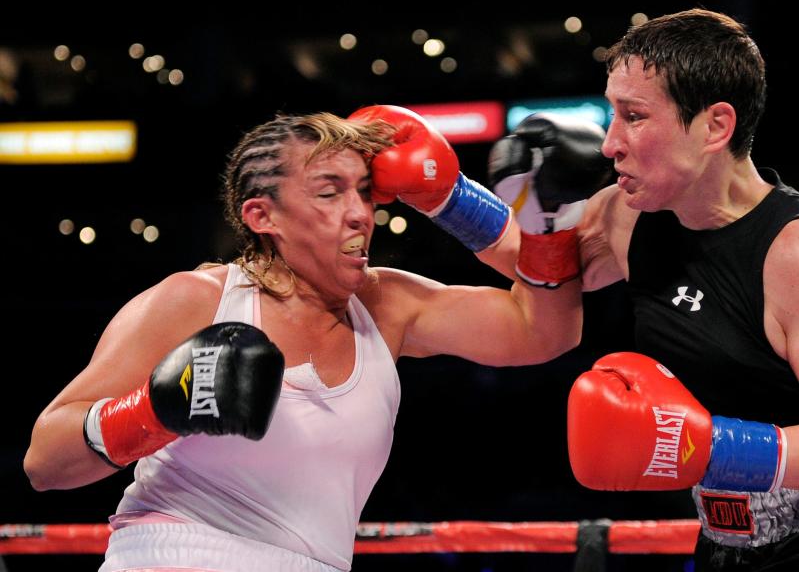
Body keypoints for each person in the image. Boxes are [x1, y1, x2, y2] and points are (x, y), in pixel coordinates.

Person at [22, 106, 599, 572]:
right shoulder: (198, 300)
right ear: (261, 216)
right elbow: (45, 460)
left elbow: (543, 331)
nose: (359, 214)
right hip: (172, 555)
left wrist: (517, 217)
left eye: (365, 193)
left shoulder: (387, 305)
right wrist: (157, 409)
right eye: (329, 192)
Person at [482, 9, 799, 571]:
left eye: (634, 116)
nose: (609, 143)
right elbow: (538, 268)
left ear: (715, 126)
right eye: (612, 114)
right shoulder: (630, 216)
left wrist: (698, 444)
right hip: (727, 544)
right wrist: (442, 194)